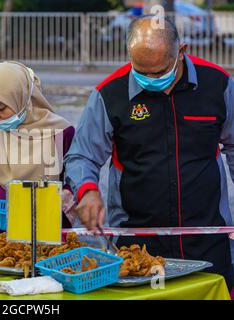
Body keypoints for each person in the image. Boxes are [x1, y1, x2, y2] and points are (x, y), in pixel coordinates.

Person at [65, 15, 234, 290]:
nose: (149, 80)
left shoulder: (218, 84)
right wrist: (87, 189)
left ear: (181, 52)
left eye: (158, 72)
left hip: (207, 237)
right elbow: (82, 155)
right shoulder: (110, 93)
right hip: (136, 244)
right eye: (140, 71)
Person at [0, 61, 76, 231]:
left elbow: (73, 181)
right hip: (0, 233)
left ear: (21, 100)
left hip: (46, 233)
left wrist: (64, 200)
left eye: (0, 107)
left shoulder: (60, 132)